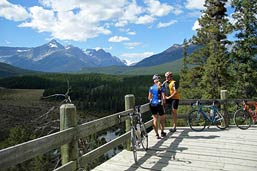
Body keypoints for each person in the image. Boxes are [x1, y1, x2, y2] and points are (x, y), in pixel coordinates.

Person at [148, 74, 167, 139]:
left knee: (155, 119)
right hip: (159, 104)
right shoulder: (161, 87)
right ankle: (162, 132)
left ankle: (156, 134)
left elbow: (149, 97)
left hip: (152, 104)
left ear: (154, 81)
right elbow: (164, 98)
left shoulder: (151, 88)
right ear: (159, 80)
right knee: (162, 118)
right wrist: (164, 104)